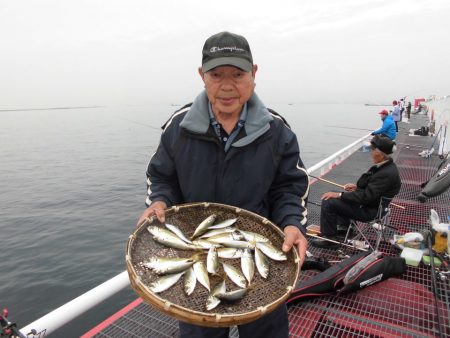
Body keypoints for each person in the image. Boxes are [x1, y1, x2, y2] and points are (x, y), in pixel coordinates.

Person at [136, 31, 309, 338]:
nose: (227, 85)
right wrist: (159, 201)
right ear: (202, 76)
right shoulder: (179, 126)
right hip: (196, 254)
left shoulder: (277, 131)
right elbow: (162, 177)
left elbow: (289, 188)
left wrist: (292, 223)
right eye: (216, 74)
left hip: (256, 262)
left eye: (238, 74)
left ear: (254, 74)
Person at [312, 135, 401, 248]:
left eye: (373, 150)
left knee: (329, 201)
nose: (371, 152)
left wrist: (340, 195)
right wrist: (356, 188)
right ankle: (344, 228)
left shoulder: (385, 173)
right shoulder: (387, 167)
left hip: (370, 212)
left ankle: (330, 239)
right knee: (336, 194)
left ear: (381, 154)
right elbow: (374, 191)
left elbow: (365, 197)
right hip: (374, 206)